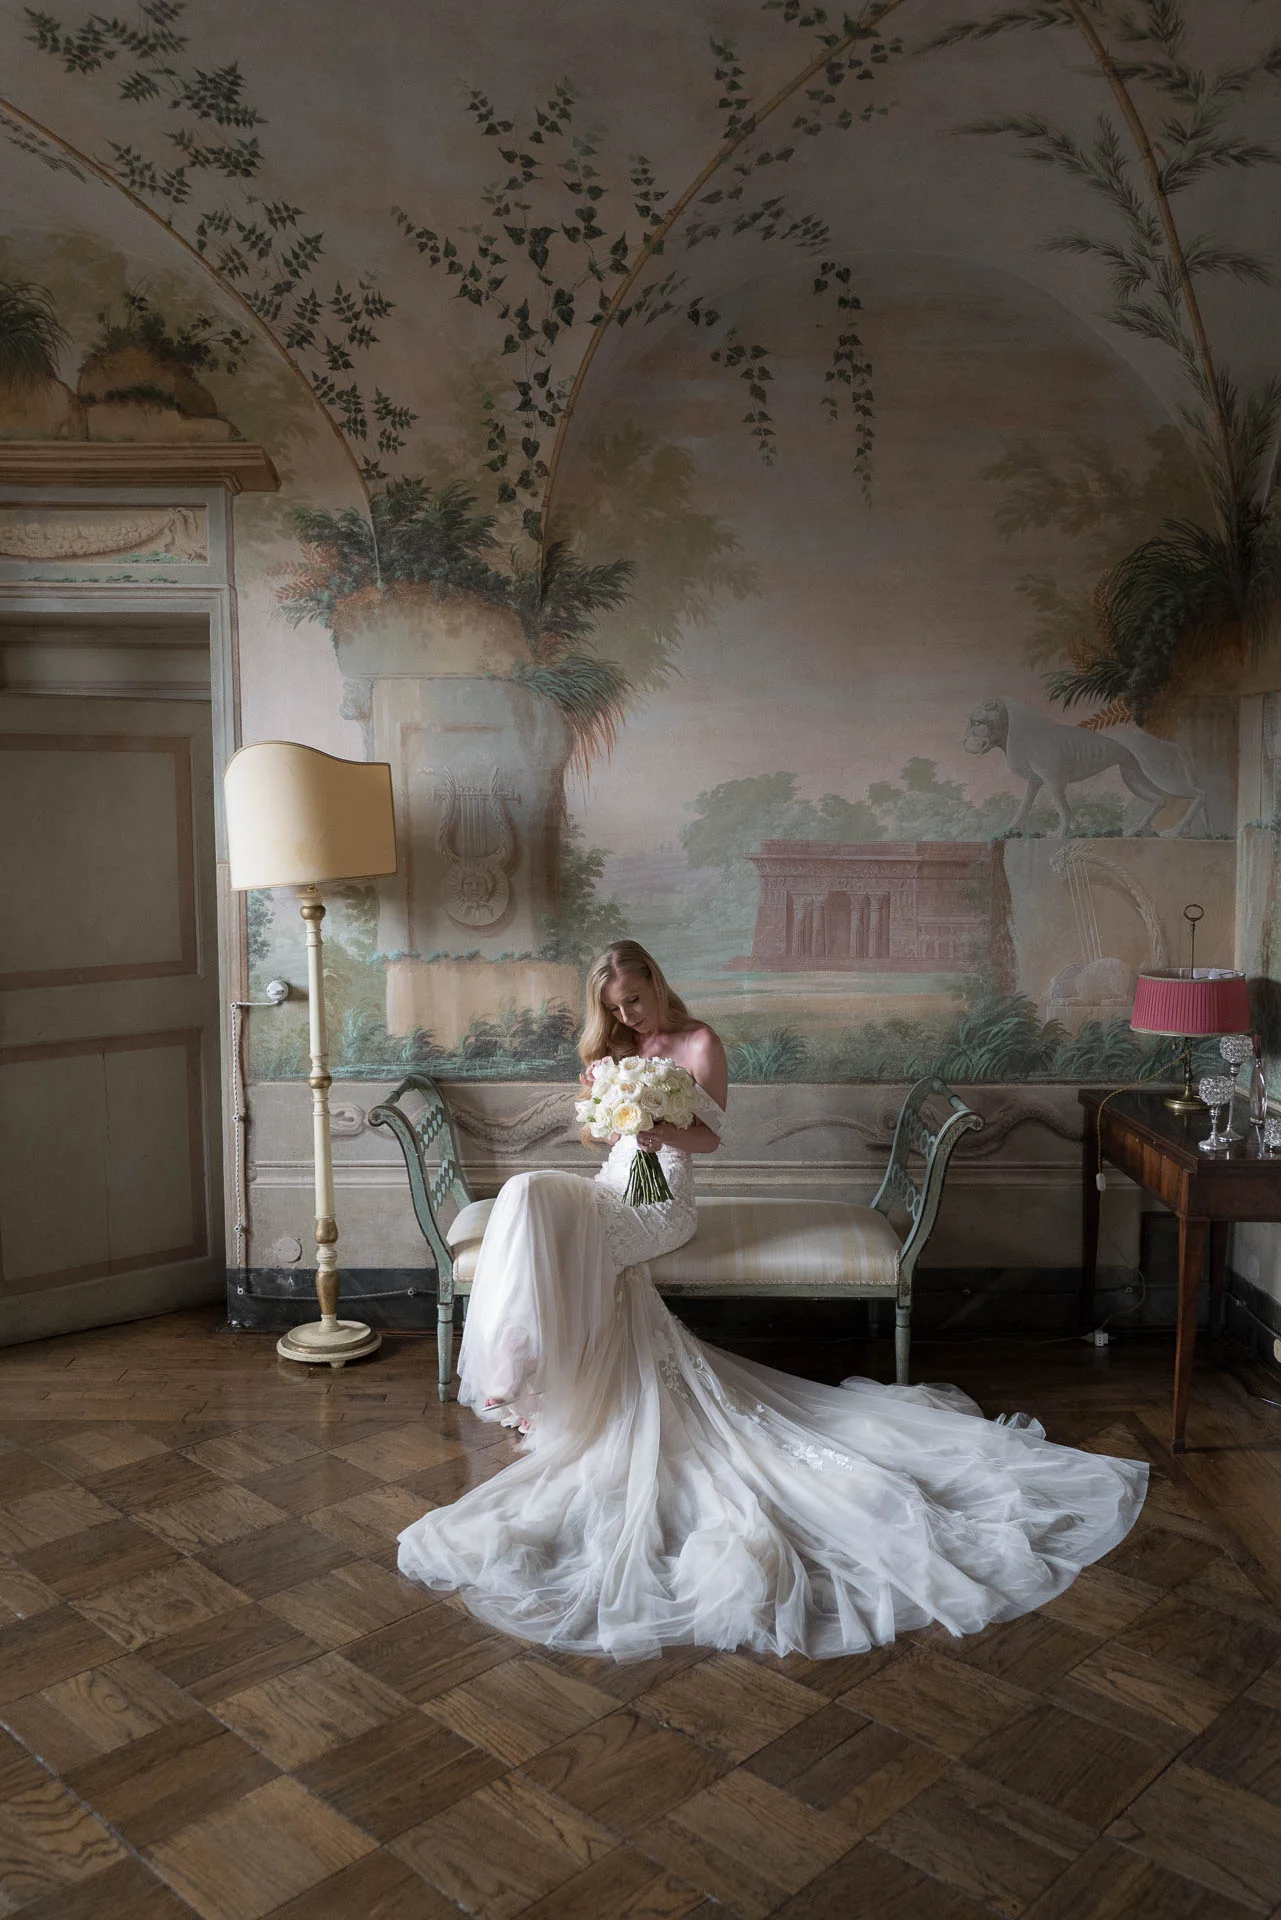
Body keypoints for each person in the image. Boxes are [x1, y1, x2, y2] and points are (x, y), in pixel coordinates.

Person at [397, 940, 1146, 1660]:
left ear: (655, 982)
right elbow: (598, 1142)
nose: (629, 1017)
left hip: (662, 1203)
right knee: (526, 1195)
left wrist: (658, 1124)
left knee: (545, 1222)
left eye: (634, 999)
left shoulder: (698, 1043)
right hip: (615, 1186)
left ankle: (530, 1375)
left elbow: (710, 1140)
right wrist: (613, 1112)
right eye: (614, 1009)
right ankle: (523, 1376)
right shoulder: (611, 1051)